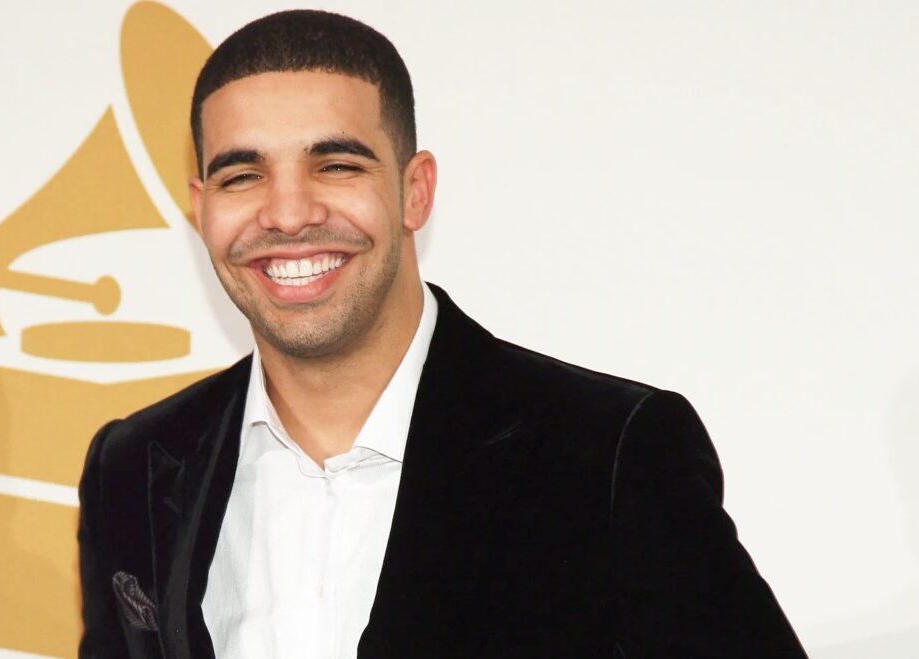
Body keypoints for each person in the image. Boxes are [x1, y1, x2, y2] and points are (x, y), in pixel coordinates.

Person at [77, 9, 808, 659]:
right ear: (202, 207)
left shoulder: (609, 454)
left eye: (335, 165)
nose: (288, 213)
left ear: (414, 189)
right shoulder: (133, 466)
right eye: (243, 176)